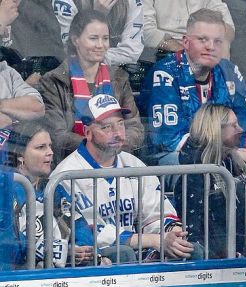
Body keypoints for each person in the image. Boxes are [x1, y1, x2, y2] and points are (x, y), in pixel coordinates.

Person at [54, 94, 195, 263]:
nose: (118, 133)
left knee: (190, 250)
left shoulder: (134, 164)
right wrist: (153, 240)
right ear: (87, 132)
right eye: (107, 127)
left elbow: (157, 214)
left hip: (137, 248)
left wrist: (173, 234)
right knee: (124, 254)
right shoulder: (66, 174)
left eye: (120, 124)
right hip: (96, 256)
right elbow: (89, 232)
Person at [143, 8, 246, 165]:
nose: (211, 47)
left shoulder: (229, 71)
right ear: (186, 42)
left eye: (217, 41)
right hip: (177, 160)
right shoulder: (165, 73)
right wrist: (226, 155)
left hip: (225, 155)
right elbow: (171, 140)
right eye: (203, 40)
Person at [39, 9, 144, 162]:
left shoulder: (119, 77)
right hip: (72, 165)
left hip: (116, 161)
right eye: (93, 38)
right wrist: (99, 145)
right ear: (76, 40)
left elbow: (135, 128)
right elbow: (58, 135)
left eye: (105, 38)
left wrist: (114, 145)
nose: (100, 45)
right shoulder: (53, 81)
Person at [8, 121, 104, 267]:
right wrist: (60, 252)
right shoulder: (6, 189)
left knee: (120, 255)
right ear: (20, 154)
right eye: (41, 147)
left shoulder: (53, 188)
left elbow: (79, 225)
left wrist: (80, 249)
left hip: (62, 265)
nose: (50, 152)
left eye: (50, 146)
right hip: (22, 272)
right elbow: (10, 243)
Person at [178, 103, 246, 258]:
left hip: (243, 253)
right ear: (216, 129)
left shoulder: (234, 163)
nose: (241, 130)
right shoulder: (193, 175)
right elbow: (195, 233)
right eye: (234, 125)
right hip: (215, 262)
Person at [52, 0, 144, 66]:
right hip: (72, 74)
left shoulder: (133, 2)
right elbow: (73, 52)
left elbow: (132, 53)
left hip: (118, 75)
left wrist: (97, 56)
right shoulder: (64, 3)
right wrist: (96, 15)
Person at [142, 0, 236, 61]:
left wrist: (224, 43)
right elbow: (145, 30)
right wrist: (187, 52)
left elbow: (226, 23)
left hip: (202, 47)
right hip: (165, 49)